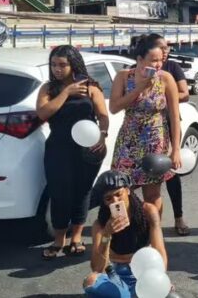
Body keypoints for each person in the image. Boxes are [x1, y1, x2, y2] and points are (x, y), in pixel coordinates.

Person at [37, 45, 110, 260]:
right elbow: (42, 113)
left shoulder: (90, 87)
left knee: (82, 191)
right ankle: (59, 239)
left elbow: (103, 115)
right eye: (53, 65)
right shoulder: (48, 89)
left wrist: (103, 134)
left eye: (62, 65)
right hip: (58, 148)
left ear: (73, 64)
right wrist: (66, 92)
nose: (57, 69)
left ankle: (76, 237)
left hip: (88, 148)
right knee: (60, 193)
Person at [110, 35, 182, 214]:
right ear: (140, 59)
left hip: (155, 143)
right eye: (153, 60)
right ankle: (122, 232)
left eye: (159, 60)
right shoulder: (124, 77)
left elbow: (174, 117)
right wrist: (140, 88)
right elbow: (114, 107)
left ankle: (152, 234)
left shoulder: (166, 79)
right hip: (128, 143)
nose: (158, 65)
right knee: (120, 192)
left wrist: (176, 149)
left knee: (152, 195)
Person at [82, 171, 168, 297]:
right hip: (115, 273)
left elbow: (159, 252)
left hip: (143, 271)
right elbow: (98, 268)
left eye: (118, 194)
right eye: (108, 198)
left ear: (127, 190)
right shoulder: (100, 224)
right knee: (91, 281)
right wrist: (107, 234)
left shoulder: (148, 212)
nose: (115, 201)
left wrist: (161, 278)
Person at [144, 34, 192, 236]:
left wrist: (163, 96)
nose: (165, 51)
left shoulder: (172, 68)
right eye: (160, 47)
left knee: (171, 174)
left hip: (169, 124)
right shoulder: (141, 69)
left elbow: (185, 93)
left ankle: (178, 217)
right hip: (144, 130)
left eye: (166, 48)